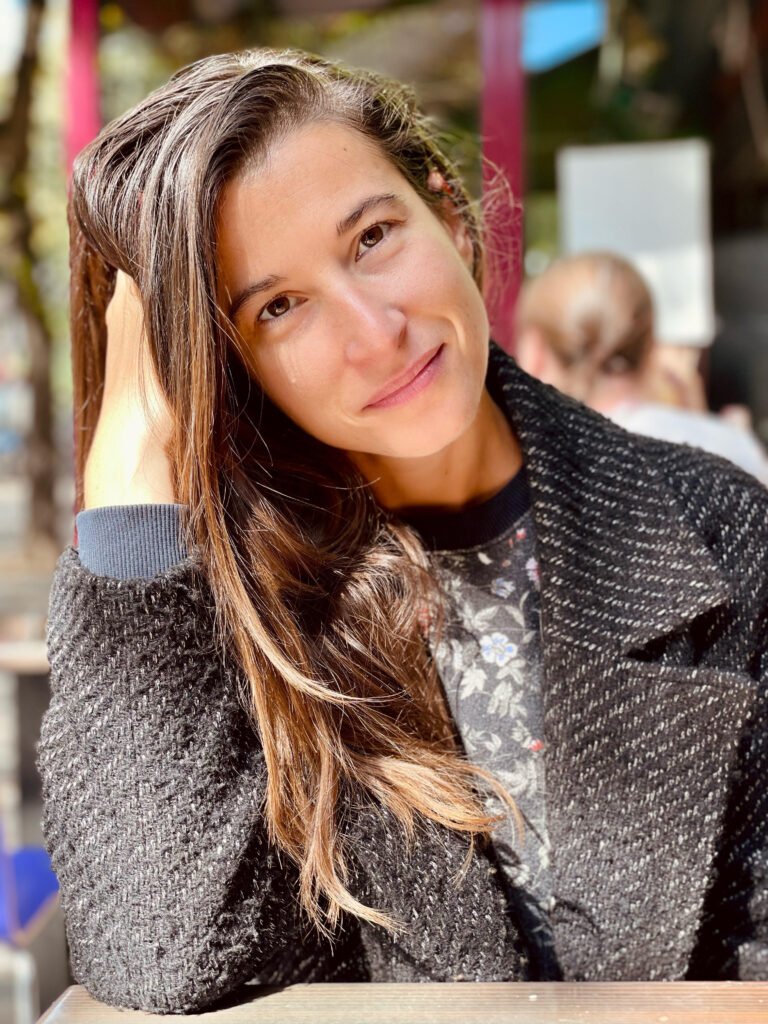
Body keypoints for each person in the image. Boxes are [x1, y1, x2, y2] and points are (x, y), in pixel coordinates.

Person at [38, 49, 768, 1015]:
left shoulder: (715, 531)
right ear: (225, 365)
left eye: (373, 237)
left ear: (448, 214)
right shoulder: (224, 607)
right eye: (279, 307)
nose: (373, 330)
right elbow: (156, 967)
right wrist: (133, 471)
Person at [515, 251, 768, 485]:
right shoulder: (732, 446)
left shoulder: (538, 471)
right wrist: (701, 423)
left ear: (536, 352)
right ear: (650, 344)